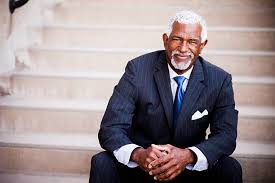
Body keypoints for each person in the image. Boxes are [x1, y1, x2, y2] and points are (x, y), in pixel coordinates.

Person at [89, 10, 242, 183]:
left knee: (230, 167)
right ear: (165, 40)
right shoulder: (137, 70)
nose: (183, 49)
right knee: (102, 162)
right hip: (143, 167)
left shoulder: (219, 80)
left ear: (202, 45)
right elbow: (111, 127)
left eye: (192, 41)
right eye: (177, 39)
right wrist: (138, 154)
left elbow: (226, 136)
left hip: (189, 168)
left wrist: (189, 155)